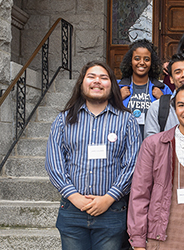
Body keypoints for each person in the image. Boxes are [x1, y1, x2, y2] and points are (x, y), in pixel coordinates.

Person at [45, 61, 141, 249]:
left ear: (112, 85)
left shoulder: (127, 120)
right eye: (91, 76)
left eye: (103, 78)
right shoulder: (63, 120)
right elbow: (54, 163)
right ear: (82, 83)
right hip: (72, 210)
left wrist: (109, 198)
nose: (97, 81)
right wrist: (74, 196)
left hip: (111, 211)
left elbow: (132, 164)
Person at [127, 83, 184, 250]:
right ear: (174, 109)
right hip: (157, 240)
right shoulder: (153, 145)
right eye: (181, 105)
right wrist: (138, 241)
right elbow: (139, 194)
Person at [119, 39, 172, 137]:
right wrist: (117, 98)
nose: (142, 62)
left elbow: (174, 117)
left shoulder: (163, 89)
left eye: (147, 59)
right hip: (124, 142)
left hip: (153, 145)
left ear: (152, 62)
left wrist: (163, 100)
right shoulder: (118, 87)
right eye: (137, 58)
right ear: (130, 61)